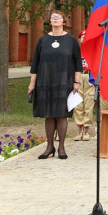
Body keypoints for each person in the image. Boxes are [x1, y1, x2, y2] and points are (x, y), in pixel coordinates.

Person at [28, 10, 82, 159]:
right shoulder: (43, 40)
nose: (55, 19)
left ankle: (62, 148)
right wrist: (32, 83)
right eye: (53, 17)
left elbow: (78, 62)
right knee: (49, 115)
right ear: (50, 22)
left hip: (64, 81)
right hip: (45, 81)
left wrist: (76, 82)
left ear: (64, 21)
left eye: (58, 17)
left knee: (62, 114)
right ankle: (49, 146)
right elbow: (35, 63)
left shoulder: (71, 40)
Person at [74, 30, 94, 142]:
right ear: (80, 39)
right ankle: (79, 129)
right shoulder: (76, 51)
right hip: (78, 76)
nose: (84, 39)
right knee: (78, 104)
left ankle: (86, 130)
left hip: (89, 76)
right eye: (82, 37)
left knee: (89, 103)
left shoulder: (93, 50)